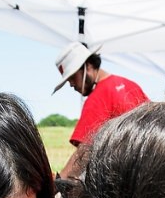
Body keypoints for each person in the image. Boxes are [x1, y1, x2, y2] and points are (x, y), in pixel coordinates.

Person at [52, 42, 149, 182]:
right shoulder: (131, 85)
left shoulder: (97, 98)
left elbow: (85, 151)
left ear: (88, 66)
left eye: (73, 78)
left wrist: (61, 181)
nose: (72, 84)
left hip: (127, 179)